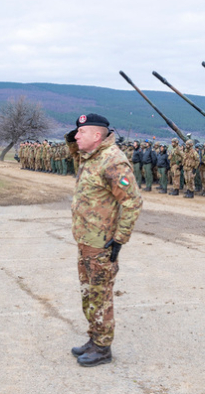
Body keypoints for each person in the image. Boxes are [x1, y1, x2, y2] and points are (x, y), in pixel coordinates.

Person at [68, 113, 143, 367]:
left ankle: (103, 348)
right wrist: (75, 137)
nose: (76, 136)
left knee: (100, 297)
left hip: (101, 245)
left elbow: (132, 201)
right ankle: (94, 338)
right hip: (85, 241)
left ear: (97, 135)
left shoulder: (113, 161)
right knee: (88, 296)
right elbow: (73, 148)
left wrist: (120, 238)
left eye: (81, 132)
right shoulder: (91, 157)